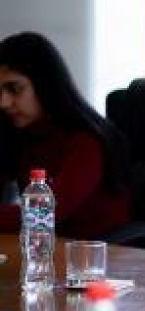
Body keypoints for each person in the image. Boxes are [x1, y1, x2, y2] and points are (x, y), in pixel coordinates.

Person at [0, 32, 131, 238]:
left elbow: (45, 214)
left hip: (97, 250)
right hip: (45, 245)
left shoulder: (85, 140)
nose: (4, 103)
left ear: (45, 85)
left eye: (15, 89)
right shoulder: (21, 133)